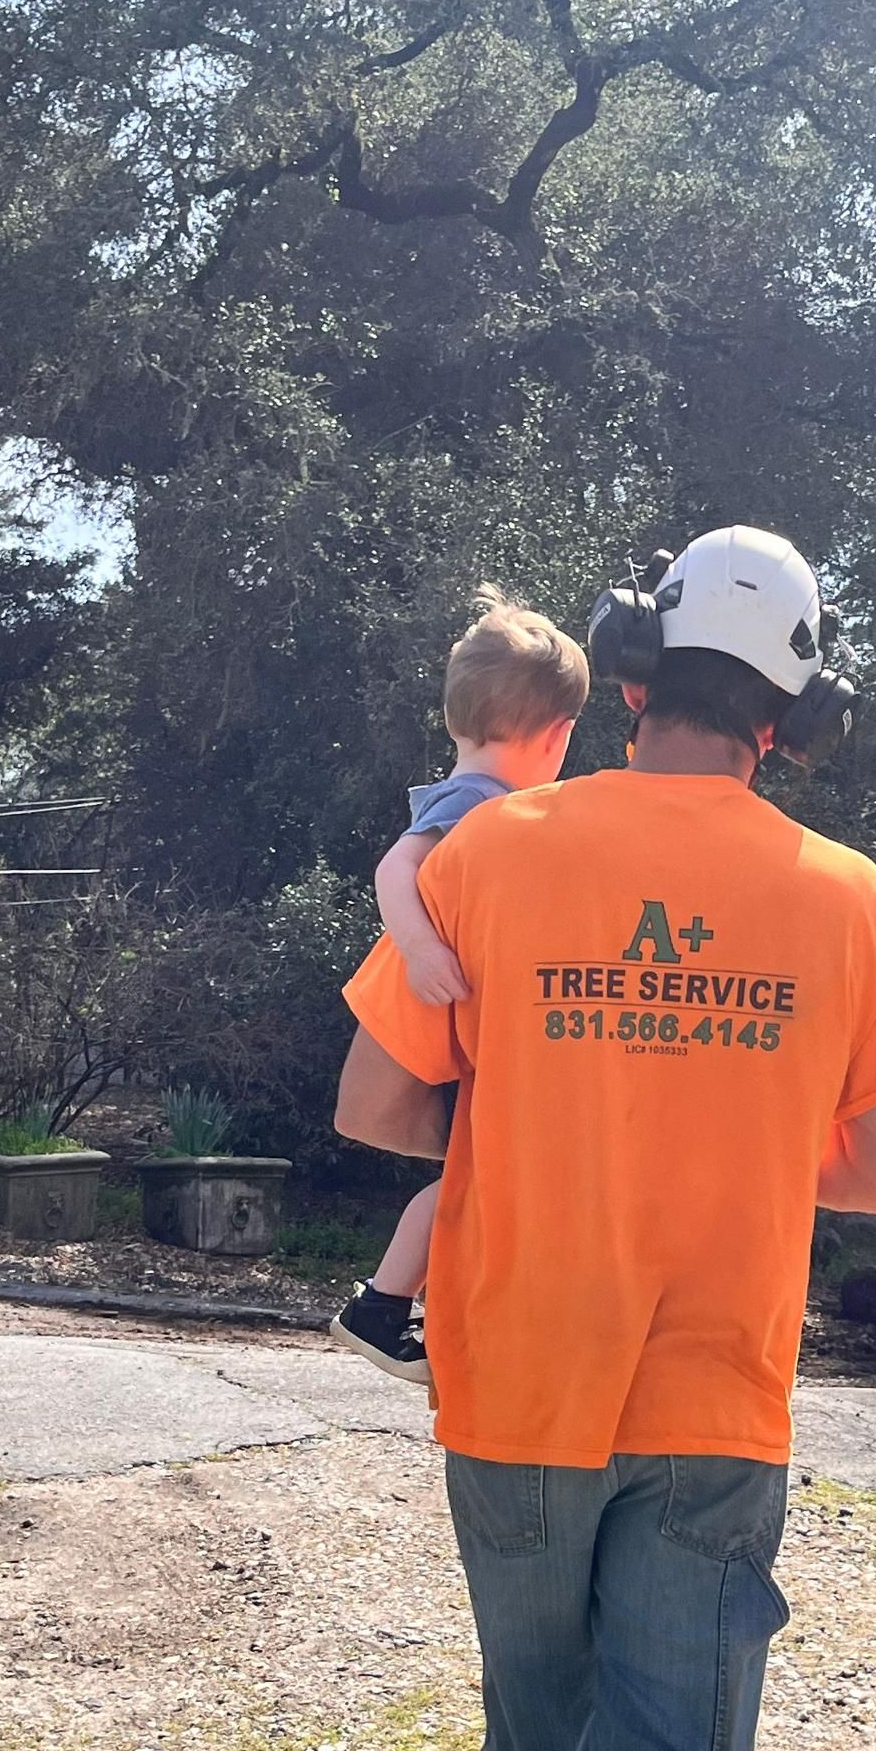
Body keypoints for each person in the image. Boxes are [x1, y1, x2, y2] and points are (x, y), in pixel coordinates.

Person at [334, 526, 876, 1751]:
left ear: (630, 679)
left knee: (540, 1742)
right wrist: (729, 1124)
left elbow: (377, 1100)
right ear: (792, 719)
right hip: (713, 1401)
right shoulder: (846, 893)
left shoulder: (494, 848)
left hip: (514, 1376)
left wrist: (554, 1116)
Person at [329, 588, 589, 1382]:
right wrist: (417, 949)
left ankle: (399, 1306)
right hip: (449, 999)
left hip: (468, 1005)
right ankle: (380, 1304)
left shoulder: (482, 801)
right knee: (474, 1183)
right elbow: (395, 867)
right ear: (557, 736)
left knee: (474, 1182)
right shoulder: (475, 804)